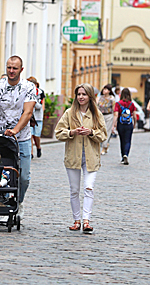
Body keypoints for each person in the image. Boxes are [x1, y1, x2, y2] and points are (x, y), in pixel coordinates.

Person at [0, 55, 36, 219]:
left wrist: (16, 130)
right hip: (1, 137)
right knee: (1, 172)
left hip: (22, 137)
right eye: (9, 68)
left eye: (15, 68)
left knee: (23, 176)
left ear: (21, 70)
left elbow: (28, 112)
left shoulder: (29, 87)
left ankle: (18, 201)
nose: (11, 71)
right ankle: (3, 203)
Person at [55, 83, 107, 232]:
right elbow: (58, 133)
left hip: (91, 157)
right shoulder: (69, 113)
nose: (81, 97)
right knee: (74, 190)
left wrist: (91, 132)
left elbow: (103, 135)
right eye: (79, 94)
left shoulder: (96, 114)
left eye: (84, 94)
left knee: (88, 188)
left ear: (90, 96)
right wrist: (72, 132)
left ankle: (86, 221)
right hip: (73, 157)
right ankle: (76, 220)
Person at [112, 88, 137, 165]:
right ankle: (126, 154)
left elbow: (116, 115)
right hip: (129, 124)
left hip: (121, 124)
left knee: (122, 140)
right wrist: (134, 124)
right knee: (128, 140)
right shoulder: (131, 104)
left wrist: (114, 125)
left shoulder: (118, 103)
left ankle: (123, 156)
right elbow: (135, 116)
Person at [27, 76, 45, 158]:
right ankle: (31, 153)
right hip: (29, 117)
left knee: (36, 135)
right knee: (30, 134)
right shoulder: (27, 93)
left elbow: (40, 106)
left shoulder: (40, 93)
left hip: (38, 117)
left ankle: (38, 147)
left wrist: (33, 101)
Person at [96, 84, 115, 155]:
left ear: (109, 91)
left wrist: (114, 120)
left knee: (107, 131)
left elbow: (114, 109)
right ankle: (105, 145)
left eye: (106, 89)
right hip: (100, 116)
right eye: (104, 89)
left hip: (109, 116)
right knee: (100, 130)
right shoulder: (100, 98)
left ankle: (104, 147)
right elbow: (96, 106)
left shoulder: (112, 99)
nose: (104, 91)